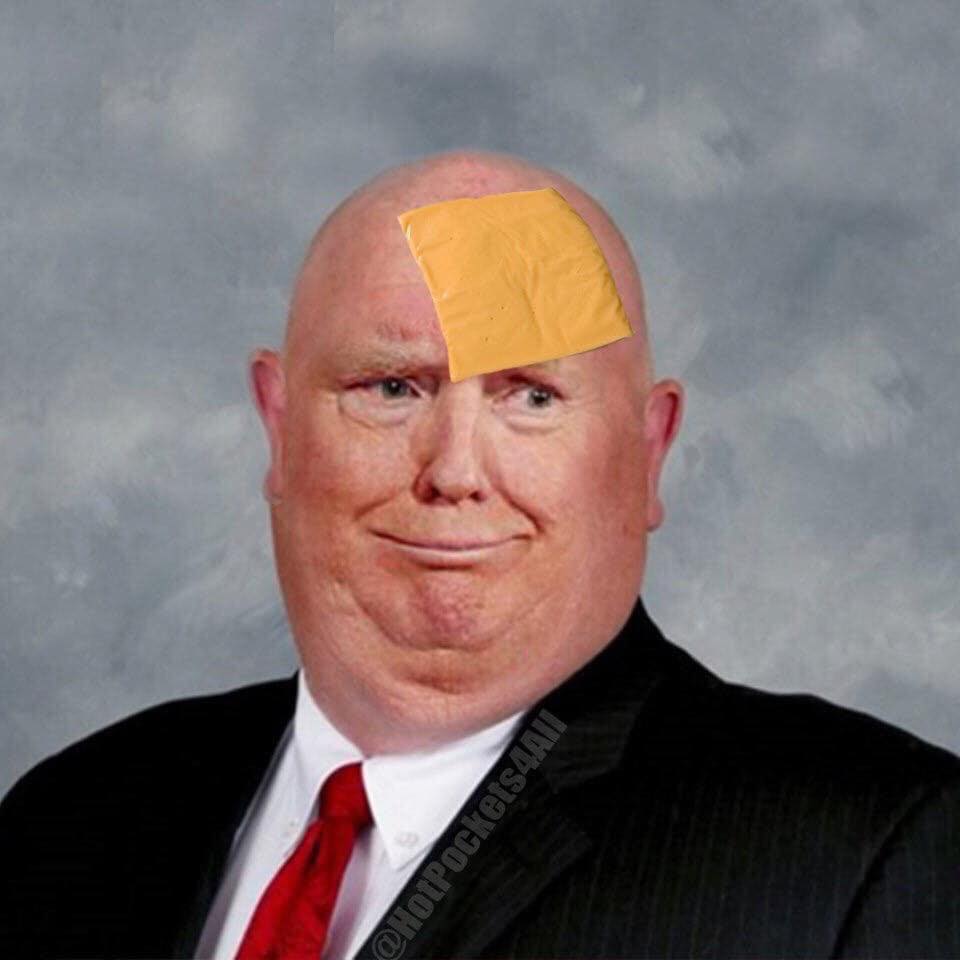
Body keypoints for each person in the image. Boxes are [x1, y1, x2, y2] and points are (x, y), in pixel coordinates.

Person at [1, 149, 958, 960]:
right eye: (392, 388)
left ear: (648, 452)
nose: (454, 471)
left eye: (531, 396)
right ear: (279, 428)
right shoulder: (69, 817)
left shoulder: (875, 854)